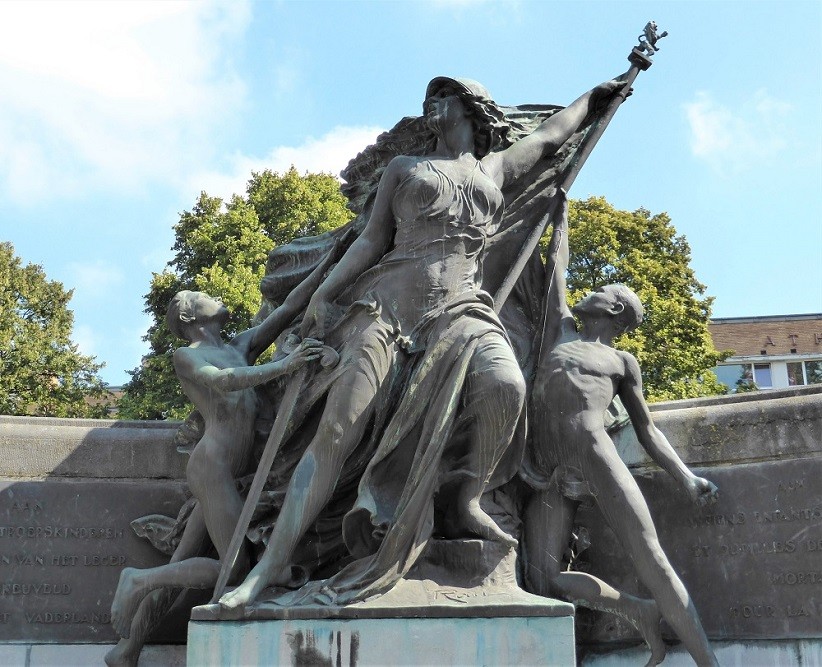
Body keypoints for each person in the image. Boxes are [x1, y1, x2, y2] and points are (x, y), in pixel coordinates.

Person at [219, 75, 626, 610]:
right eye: (429, 98)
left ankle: (469, 494)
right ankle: (264, 573)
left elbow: (551, 137)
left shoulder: (493, 169)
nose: (431, 106)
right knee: (337, 431)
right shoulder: (404, 169)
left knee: (506, 384)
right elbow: (369, 240)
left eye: (443, 97)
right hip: (388, 303)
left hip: (461, 306)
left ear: (470, 111)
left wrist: (597, 98)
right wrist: (327, 293)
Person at [104, 246, 341, 667]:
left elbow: (288, 306)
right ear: (191, 316)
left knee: (183, 564)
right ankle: (139, 578)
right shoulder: (188, 356)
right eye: (201, 295)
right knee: (233, 570)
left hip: (231, 475)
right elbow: (227, 381)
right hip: (212, 469)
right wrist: (285, 367)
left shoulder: (240, 345)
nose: (214, 295)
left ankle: (127, 650)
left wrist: (330, 261)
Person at [521, 191, 719, 666]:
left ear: (615, 311)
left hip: (594, 454)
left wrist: (685, 477)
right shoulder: (559, 331)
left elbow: (646, 428)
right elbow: (557, 270)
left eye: (607, 290)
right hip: (544, 466)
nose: (595, 290)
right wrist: (560, 217)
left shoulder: (621, 360)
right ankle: (641, 613)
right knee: (542, 580)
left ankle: (709, 662)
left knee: (651, 558)